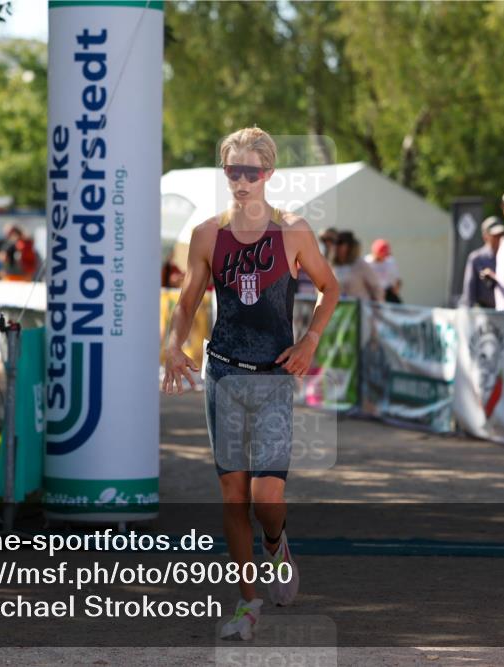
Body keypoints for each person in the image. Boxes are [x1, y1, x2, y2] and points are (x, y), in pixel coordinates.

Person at [161, 127, 339, 641]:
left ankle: (277, 540)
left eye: (251, 172)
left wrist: (309, 342)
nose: (241, 181)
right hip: (224, 374)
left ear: (268, 174)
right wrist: (174, 345)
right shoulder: (207, 234)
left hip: (274, 377)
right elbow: (189, 298)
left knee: (266, 498)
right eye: (233, 171)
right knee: (233, 497)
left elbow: (330, 288)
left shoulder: (293, 231)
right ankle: (248, 604)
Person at [459, 216, 504, 309]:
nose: (499, 238)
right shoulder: (476, 258)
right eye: (495, 235)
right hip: (483, 314)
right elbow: (469, 293)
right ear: (485, 236)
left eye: (501, 234)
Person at [331, 230, 384, 301]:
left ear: (349, 246)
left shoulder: (360, 264)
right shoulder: (333, 265)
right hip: (341, 309)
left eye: (340, 243)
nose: (336, 246)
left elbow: (376, 288)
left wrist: (377, 309)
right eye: (334, 243)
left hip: (360, 309)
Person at [365, 238, 402, 303]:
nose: (384, 257)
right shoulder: (367, 262)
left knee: (400, 311)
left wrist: (395, 289)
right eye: (382, 254)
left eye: (386, 254)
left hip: (388, 292)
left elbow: (398, 280)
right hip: (372, 294)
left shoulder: (390, 261)